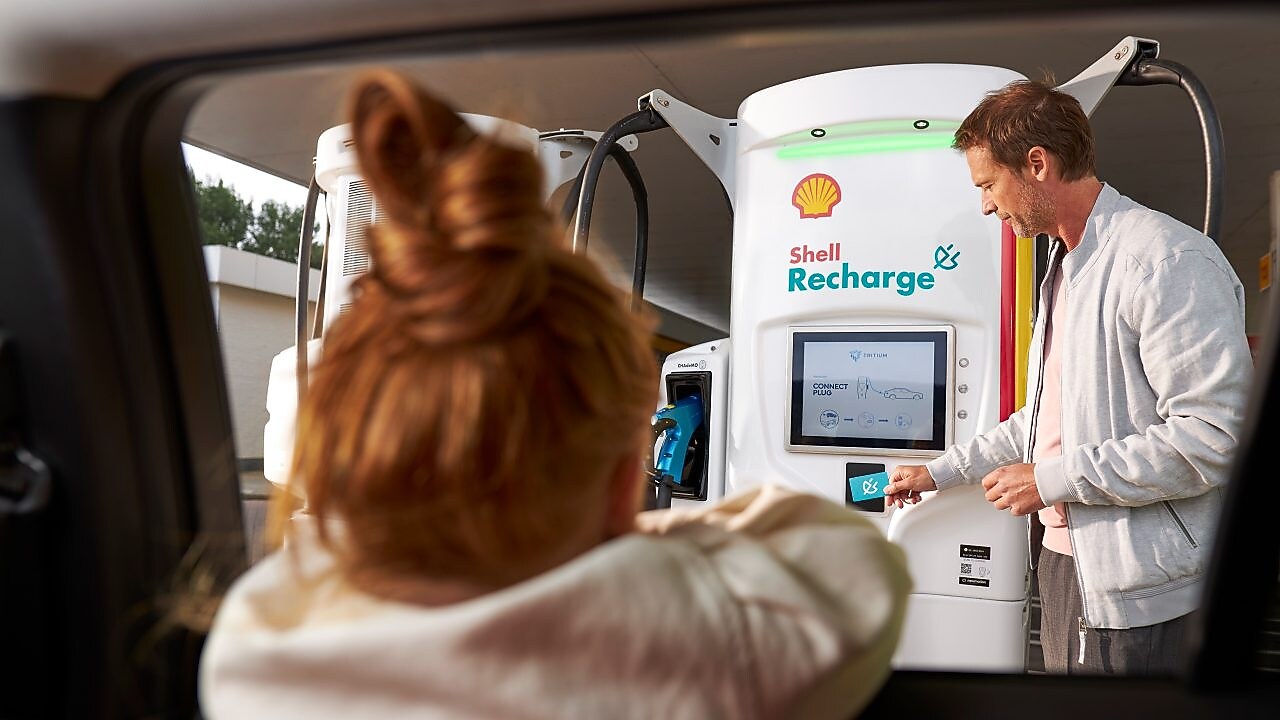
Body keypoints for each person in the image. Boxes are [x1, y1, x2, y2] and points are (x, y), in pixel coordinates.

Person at [199, 70, 910, 719]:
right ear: (617, 480)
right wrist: (627, 532)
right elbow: (855, 558)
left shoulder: (257, 645)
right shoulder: (686, 641)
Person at [884, 79, 1251, 675]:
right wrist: (938, 472)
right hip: (1066, 566)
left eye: (986, 184)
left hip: (1142, 595)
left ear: (1036, 164)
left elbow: (1214, 438)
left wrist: (1053, 479)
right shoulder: (1066, 265)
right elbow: (1047, 418)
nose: (984, 205)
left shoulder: (1164, 262)